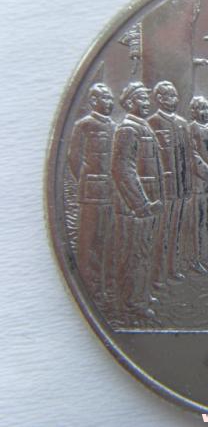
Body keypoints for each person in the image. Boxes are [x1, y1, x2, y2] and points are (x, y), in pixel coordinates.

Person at [112, 82, 163, 321]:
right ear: (130, 102)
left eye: (146, 98)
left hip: (147, 204)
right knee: (134, 253)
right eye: (142, 98)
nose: (147, 102)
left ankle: (141, 294)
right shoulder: (127, 129)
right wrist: (141, 204)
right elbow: (122, 169)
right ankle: (131, 303)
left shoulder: (141, 126)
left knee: (143, 250)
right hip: (136, 207)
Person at [67, 83, 116, 307]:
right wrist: (86, 180)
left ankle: (106, 285)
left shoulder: (114, 126)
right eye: (105, 98)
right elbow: (74, 158)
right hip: (91, 194)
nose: (110, 102)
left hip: (111, 193)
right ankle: (89, 287)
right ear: (93, 101)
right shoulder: (84, 125)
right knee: (89, 240)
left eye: (111, 98)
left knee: (107, 239)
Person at [147, 81, 189, 283]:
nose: (174, 99)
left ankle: (172, 268)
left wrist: (188, 184)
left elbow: (187, 156)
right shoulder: (152, 123)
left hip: (181, 187)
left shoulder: (182, 123)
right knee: (160, 232)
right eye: (170, 96)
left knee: (175, 231)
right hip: (163, 188)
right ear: (159, 99)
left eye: (175, 95)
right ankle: (157, 274)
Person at [187, 96, 208, 270]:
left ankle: (206, 256)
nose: (206, 112)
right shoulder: (190, 129)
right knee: (198, 222)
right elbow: (193, 157)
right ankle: (196, 259)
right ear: (193, 112)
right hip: (198, 184)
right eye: (201, 108)